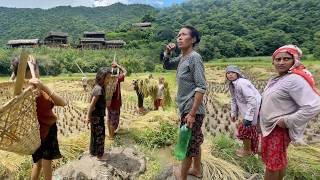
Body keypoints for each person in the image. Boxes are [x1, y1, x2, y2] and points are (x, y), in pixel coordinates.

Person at [259, 45, 320, 180]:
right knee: (277, 160)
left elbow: (314, 105)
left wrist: (287, 121)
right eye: (278, 59)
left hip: (278, 129)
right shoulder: (279, 78)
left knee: (272, 164)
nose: (281, 62)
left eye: (286, 59)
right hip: (270, 127)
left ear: (295, 60)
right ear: (273, 61)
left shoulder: (295, 79)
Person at [11, 55, 67, 180]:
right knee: (47, 163)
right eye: (36, 69)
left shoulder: (20, 93)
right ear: (30, 73)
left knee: (38, 163)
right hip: (47, 132)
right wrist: (44, 86)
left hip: (34, 135)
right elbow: (62, 103)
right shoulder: (38, 92)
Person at [163, 25, 206, 180]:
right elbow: (166, 65)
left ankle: (182, 177)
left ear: (193, 39)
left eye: (183, 35)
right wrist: (168, 52)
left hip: (191, 109)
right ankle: (196, 170)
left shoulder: (194, 57)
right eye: (178, 35)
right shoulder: (182, 58)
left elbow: (201, 87)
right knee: (195, 141)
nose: (179, 37)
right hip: (186, 108)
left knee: (187, 144)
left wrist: (192, 113)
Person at [226, 65, 261, 157]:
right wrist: (234, 113)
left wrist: (249, 116)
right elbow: (234, 99)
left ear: (237, 74)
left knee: (245, 130)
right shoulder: (232, 84)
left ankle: (247, 151)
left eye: (232, 73)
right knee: (250, 130)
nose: (230, 75)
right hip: (246, 110)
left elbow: (252, 100)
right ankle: (252, 150)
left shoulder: (242, 83)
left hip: (254, 109)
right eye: (228, 73)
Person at [86, 68, 111, 160]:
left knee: (95, 134)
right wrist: (88, 116)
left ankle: (93, 152)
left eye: (109, 78)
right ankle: (100, 156)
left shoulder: (99, 87)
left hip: (96, 115)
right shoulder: (99, 89)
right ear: (101, 78)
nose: (109, 80)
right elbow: (92, 104)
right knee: (100, 135)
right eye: (107, 78)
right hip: (96, 116)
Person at [107, 61, 127, 140]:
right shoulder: (118, 79)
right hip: (115, 103)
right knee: (113, 120)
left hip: (108, 103)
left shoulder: (107, 80)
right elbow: (125, 71)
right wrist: (118, 65)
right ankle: (111, 136)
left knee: (109, 118)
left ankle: (110, 133)